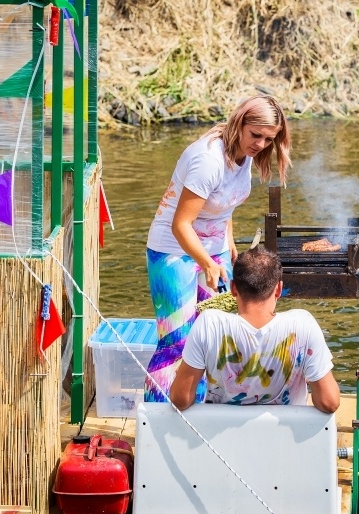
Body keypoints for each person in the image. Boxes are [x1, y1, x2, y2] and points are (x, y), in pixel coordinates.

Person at [144, 95, 292, 402]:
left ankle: (199, 407)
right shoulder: (207, 160)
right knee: (177, 340)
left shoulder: (244, 155)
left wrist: (228, 245)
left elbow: (226, 205)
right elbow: (181, 224)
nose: (261, 144)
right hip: (174, 252)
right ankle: (157, 417)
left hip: (214, 251)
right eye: (256, 135)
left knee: (211, 336)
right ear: (240, 123)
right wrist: (208, 263)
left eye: (268, 139)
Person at [169, 247, 341, 414]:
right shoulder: (303, 325)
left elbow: (180, 399)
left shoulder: (209, 324)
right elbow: (329, 402)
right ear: (279, 289)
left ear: (233, 288)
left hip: (220, 440)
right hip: (284, 440)